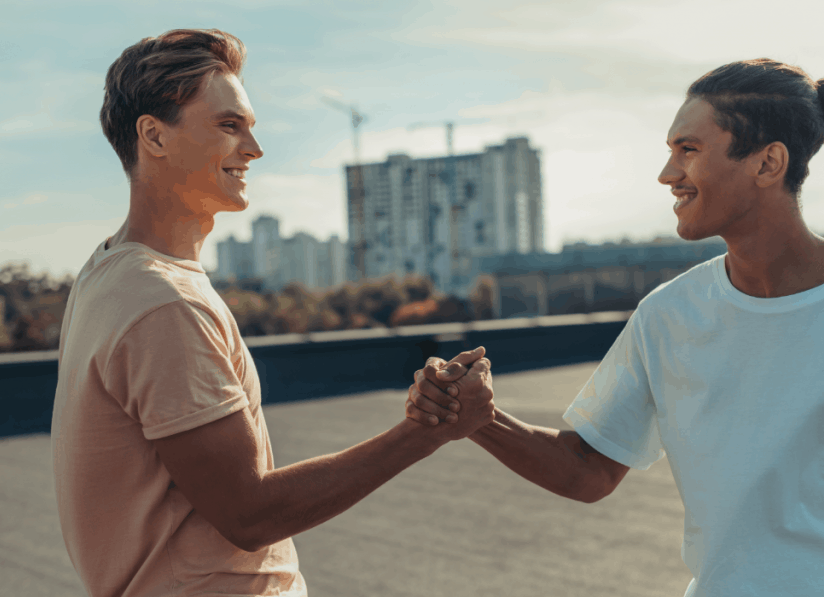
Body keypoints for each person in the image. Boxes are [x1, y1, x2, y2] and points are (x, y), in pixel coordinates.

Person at [408, 59, 824, 597]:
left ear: (767, 164)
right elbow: (589, 471)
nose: (667, 173)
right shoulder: (667, 315)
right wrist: (479, 419)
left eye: (689, 149)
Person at [50, 28, 495, 597]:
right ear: (153, 136)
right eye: (229, 126)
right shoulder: (163, 303)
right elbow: (250, 514)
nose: (254, 150)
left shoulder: (105, 272)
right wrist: (428, 431)